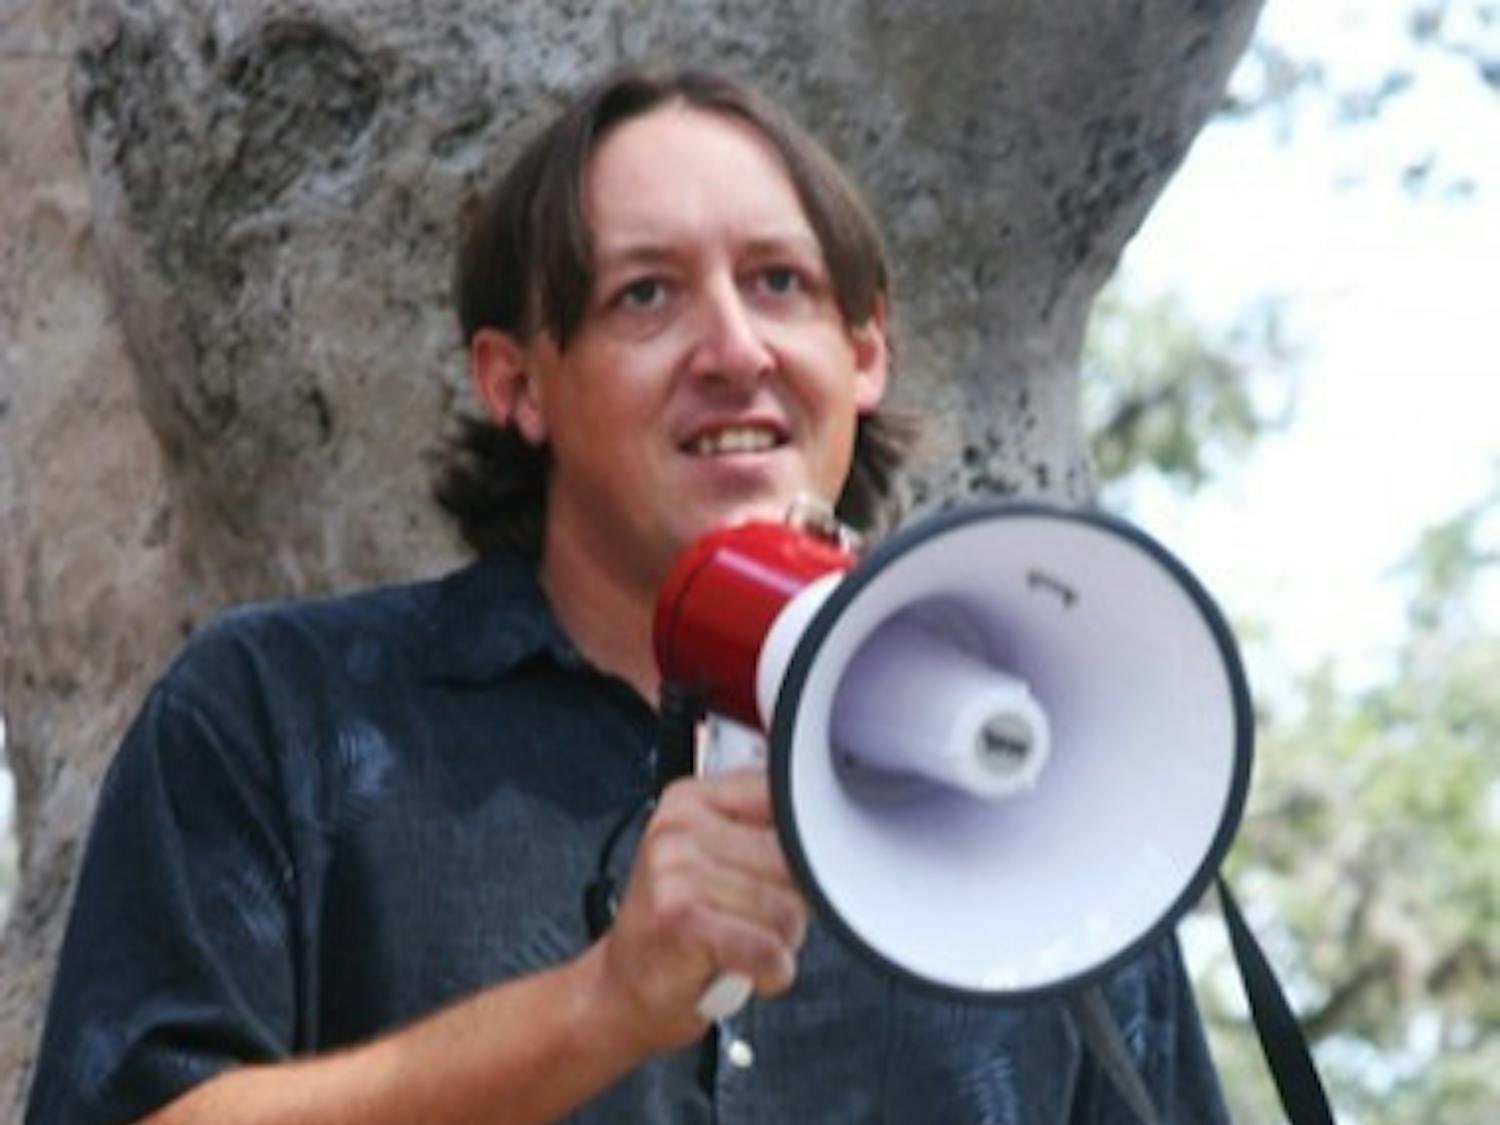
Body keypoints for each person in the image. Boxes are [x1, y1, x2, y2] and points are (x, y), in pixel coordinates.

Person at [27, 67, 1229, 1123]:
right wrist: (600, 1007)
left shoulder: (1055, 802)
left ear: (864, 354)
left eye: (780, 283)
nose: (733, 350)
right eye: (644, 295)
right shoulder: (283, 718)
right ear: (517, 384)